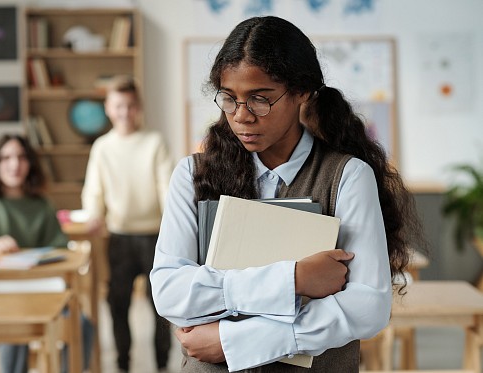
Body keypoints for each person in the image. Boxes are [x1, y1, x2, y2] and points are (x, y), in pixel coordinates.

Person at [150, 16, 424, 372]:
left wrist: (235, 340)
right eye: (229, 99)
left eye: (260, 100)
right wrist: (292, 279)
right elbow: (170, 291)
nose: (242, 117)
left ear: (302, 93)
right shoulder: (192, 174)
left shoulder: (348, 177)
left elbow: (367, 307)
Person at [0, 133, 94, 373]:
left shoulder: (42, 204)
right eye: (6, 157)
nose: (14, 164)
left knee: (83, 326)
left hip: (40, 294)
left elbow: (59, 246)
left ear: (30, 163)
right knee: (15, 323)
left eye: (21, 157)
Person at [82, 75, 174, 372]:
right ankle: (123, 364)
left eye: (131, 106)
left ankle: (161, 364)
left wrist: (174, 222)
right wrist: (94, 214)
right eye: (119, 106)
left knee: (160, 305)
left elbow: (166, 186)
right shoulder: (102, 147)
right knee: (117, 303)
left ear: (139, 107)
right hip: (118, 237)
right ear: (109, 108)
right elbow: (93, 190)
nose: (125, 112)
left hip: (155, 236)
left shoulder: (155, 141)